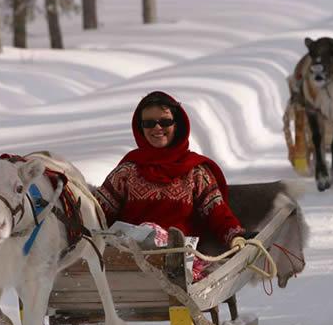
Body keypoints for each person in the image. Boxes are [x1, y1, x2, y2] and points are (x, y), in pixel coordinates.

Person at [94, 91, 251, 279]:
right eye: (149, 123)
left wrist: (235, 236)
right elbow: (98, 213)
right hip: (129, 264)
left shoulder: (195, 172)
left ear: (177, 125)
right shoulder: (126, 172)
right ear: (140, 128)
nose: (157, 128)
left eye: (165, 121)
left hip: (179, 265)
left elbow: (217, 213)